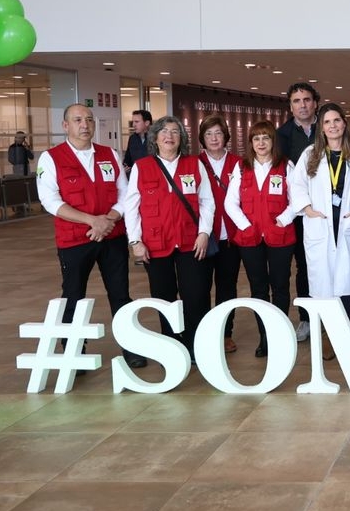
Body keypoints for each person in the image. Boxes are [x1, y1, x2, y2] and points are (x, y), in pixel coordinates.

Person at [36, 104, 145, 369]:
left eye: (88, 120)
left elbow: (125, 193)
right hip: (75, 239)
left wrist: (108, 219)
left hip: (112, 236)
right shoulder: (51, 158)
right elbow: (50, 201)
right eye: (77, 120)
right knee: (73, 294)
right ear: (65, 126)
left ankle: (131, 348)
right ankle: (74, 352)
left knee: (120, 294)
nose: (84, 125)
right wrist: (91, 220)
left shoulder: (109, 154)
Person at [126, 115, 215, 360]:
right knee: (163, 296)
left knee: (195, 295)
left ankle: (195, 343)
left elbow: (207, 202)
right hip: (155, 244)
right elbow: (131, 206)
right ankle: (170, 344)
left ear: (181, 138)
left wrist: (204, 232)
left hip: (190, 242)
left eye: (175, 132)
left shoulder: (194, 164)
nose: (169, 136)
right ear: (155, 137)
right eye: (164, 131)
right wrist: (135, 241)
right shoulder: (141, 167)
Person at [289, 102, 350, 358]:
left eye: (336, 121)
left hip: (347, 224)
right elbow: (297, 185)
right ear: (321, 128)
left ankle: (349, 337)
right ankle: (329, 337)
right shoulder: (310, 154)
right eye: (327, 122)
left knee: (348, 285)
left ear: (344, 123)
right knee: (324, 287)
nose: (332, 126)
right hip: (320, 225)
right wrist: (307, 209)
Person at [225, 121, 296, 358]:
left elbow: (296, 199)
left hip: (280, 236)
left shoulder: (286, 166)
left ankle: (280, 334)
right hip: (250, 238)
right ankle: (265, 336)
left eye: (266, 138)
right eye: (256, 139)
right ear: (251, 143)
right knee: (258, 289)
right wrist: (245, 225)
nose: (261, 143)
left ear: (273, 141)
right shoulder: (241, 167)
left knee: (281, 286)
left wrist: (283, 220)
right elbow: (230, 202)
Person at [277, 83, 319, 342]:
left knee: (325, 264)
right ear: (290, 105)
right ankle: (306, 318)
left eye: (306, 99)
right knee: (303, 267)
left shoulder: (326, 128)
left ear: (315, 102)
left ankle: (329, 314)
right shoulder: (280, 136)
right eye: (296, 101)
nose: (302, 105)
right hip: (297, 214)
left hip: (326, 211)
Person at [197, 115, 242, 354]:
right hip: (204, 235)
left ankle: (226, 333)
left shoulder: (239, 162)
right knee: (200, 287)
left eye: (218, 133)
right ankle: (205, 331)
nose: (214, 138)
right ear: (202, 138)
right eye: (208, 134)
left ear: (226, 136)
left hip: (230, 237)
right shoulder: (193, 163)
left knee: (227, 286)